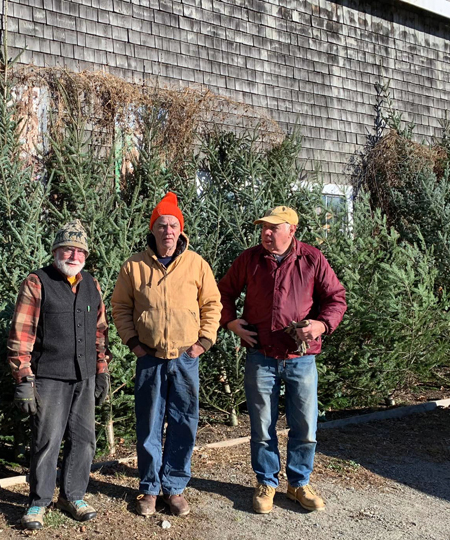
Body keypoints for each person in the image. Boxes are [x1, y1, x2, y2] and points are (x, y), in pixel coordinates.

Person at [218, 205, 346, 514]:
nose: (266, 232)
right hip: (261, 357)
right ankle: (267, 483)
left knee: (305, 424)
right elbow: (222, 293)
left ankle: (299, 483)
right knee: (262, 425)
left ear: (292, 230)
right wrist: (232, 323)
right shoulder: (249, 260)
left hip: (301, 359)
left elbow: (336, 298)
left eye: (274, 228)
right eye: (264, 227)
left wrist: (321, 325)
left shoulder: (312, 259)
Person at [111, 192, 222, 518]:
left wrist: (203, 342)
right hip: (150, 358)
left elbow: (212, 305)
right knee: (148, 425)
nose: (168, 231)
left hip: (186, 359)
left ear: (181, 230)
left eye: (173, 225)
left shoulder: (196, 264)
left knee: (183, 423)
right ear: (153, 230)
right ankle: (149, 488)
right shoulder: (134, 266)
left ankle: (174, 487)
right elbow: (120, 307)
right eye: (162, 225)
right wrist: (133, 342)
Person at [7, 220, 110, 530]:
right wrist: (24, 379)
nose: (73, 254)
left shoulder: (92, 283)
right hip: (49, 376)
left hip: (85, 375)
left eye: (79, 250)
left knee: (84, 439)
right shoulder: (37, 282)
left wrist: (102, 371)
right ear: (55, 251)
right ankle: (38, 501)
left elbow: (100, 332)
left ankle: (73, 495)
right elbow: (21, 335)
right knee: (47, 440)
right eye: (67, 248)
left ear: (86, 255)